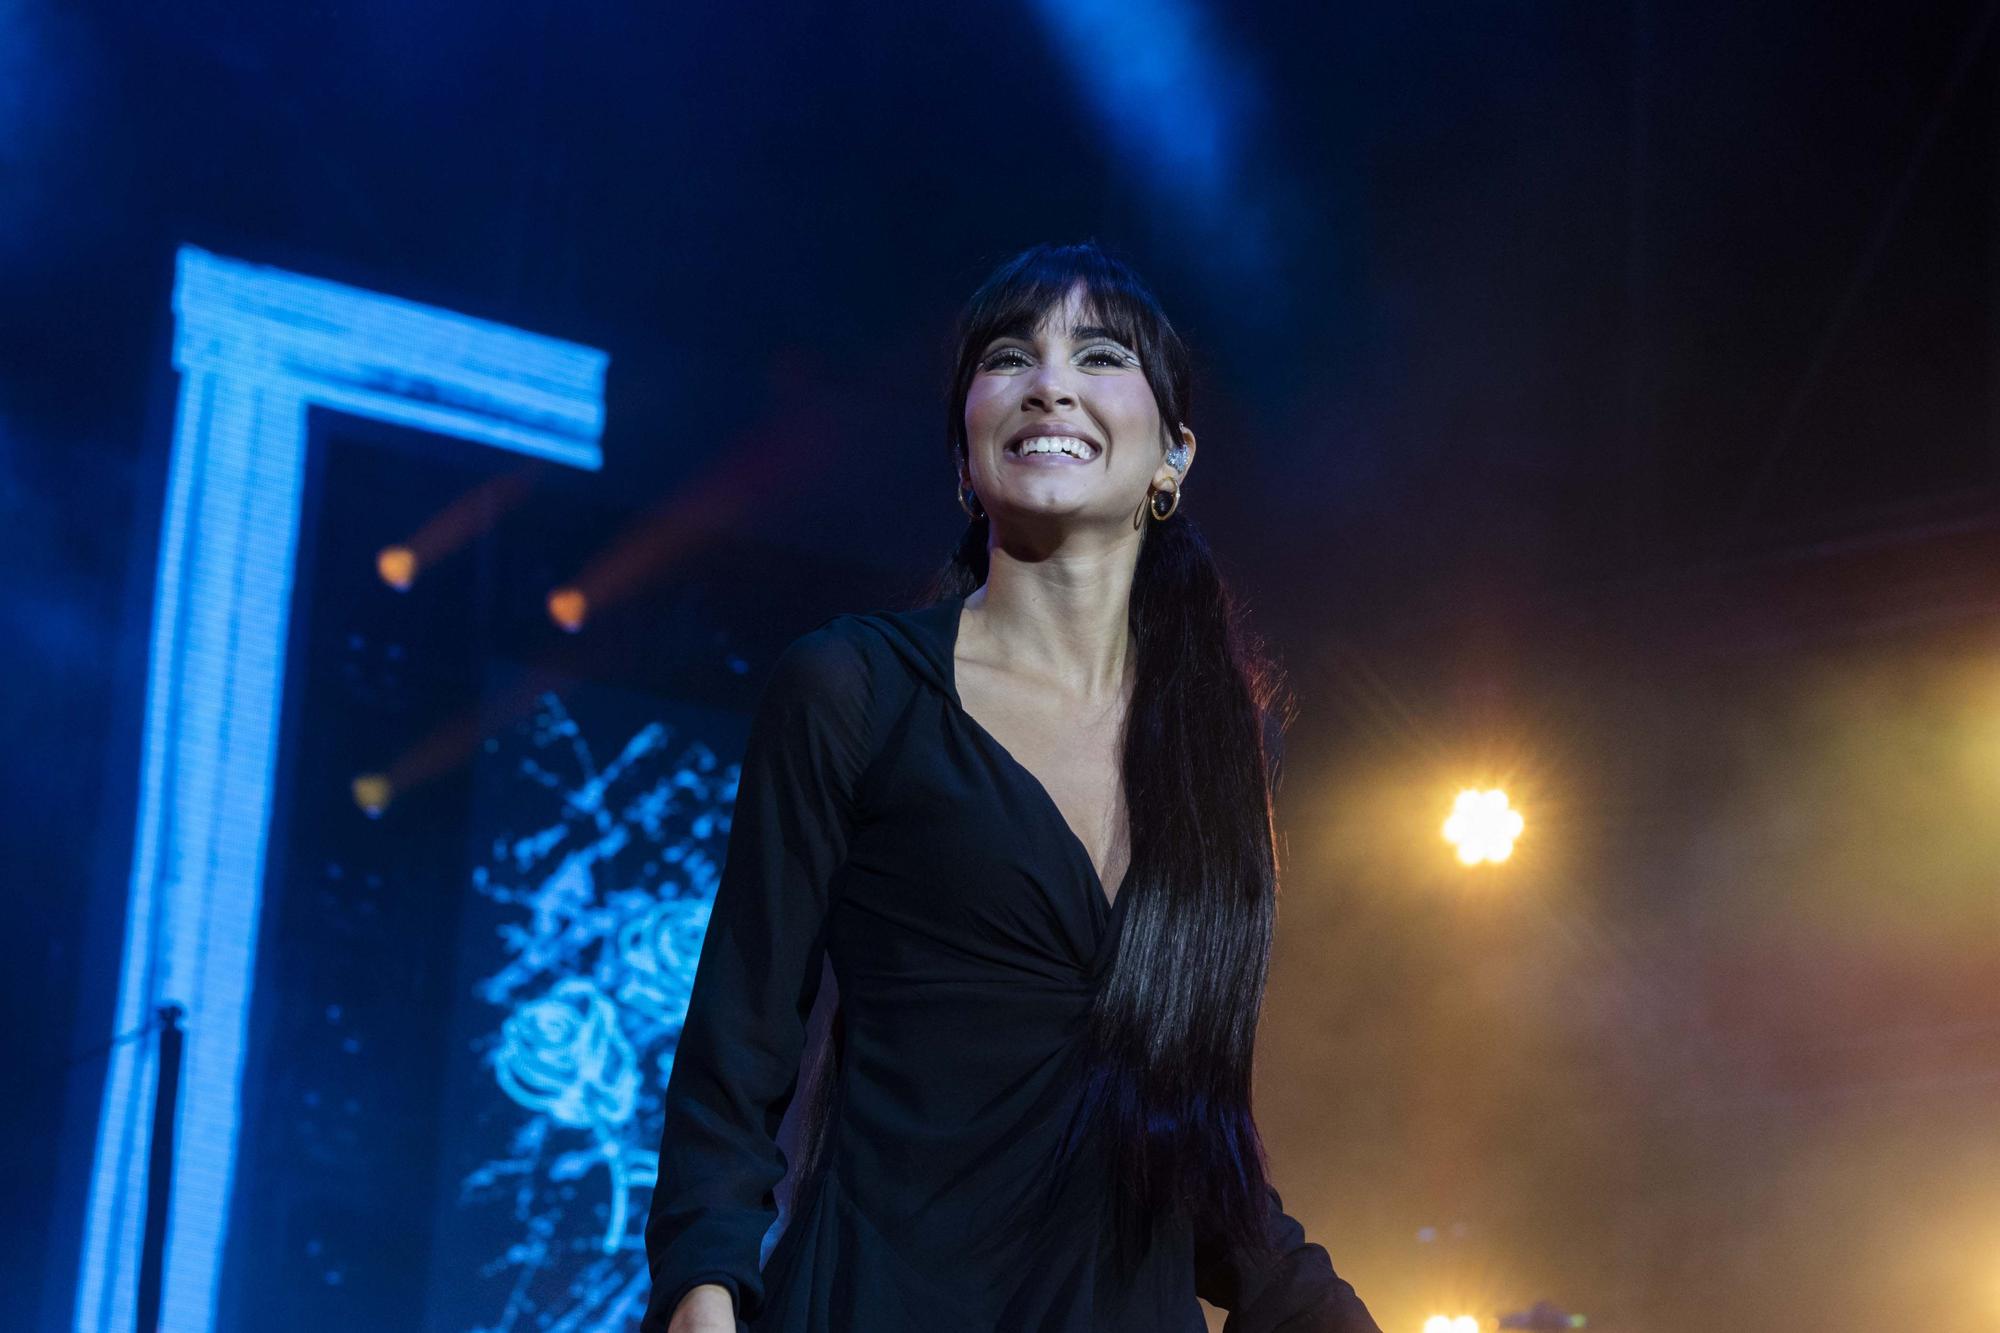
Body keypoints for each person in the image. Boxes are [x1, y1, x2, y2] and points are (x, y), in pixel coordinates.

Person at [641, 241, 1381, 1333]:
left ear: (1172, 456)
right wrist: (702, 1301)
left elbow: (1193, 1144)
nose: (1049, 381)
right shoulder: (852, 687)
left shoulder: (1222, 751)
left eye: (1097, 354)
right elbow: (734, 1052)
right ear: (962, 456)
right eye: (1009, 355)